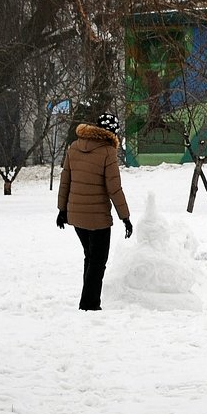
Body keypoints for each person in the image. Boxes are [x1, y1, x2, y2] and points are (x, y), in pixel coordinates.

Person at [56, 112, 133, 311]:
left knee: (90, 258)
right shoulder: (108, 152)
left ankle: (88, 300)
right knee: (98, 261)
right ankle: (89, 304)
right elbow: (114, 188)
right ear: (113, 132)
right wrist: (125, 217)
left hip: (75, 215)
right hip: (98, 218)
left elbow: (65, 181)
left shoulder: (74, 147)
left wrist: (61, 210)